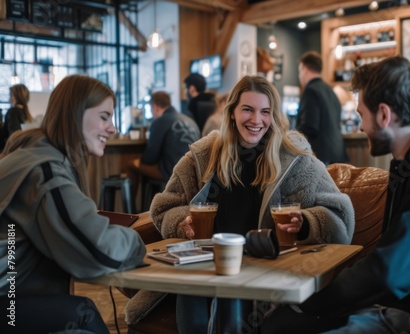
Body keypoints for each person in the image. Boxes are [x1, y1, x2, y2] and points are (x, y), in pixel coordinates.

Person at [262, 56, 410, 334]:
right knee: (278, 324)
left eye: (362, 114)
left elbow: (390, 271)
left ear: (384, 115)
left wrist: (310, 302)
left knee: (283, 324)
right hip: (406, 302)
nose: (361, 126)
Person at [132, 75, 355, 333]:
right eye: (247, 109)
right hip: (204, 270)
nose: (256, 120)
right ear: (231, 112)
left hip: (264, 273)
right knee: (194, 321)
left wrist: (306, 224)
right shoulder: (202, 157)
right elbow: (163, 208)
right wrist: (183, 223)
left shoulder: (296, 159)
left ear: (274, 116)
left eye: (265, 112)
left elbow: (341, 218)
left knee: (234, 321)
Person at [0, 75, 147, 333]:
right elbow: (99, 252)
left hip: (11, 295)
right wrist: (138, 242)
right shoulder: (45, 173)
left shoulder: (33, 152)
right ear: (75, 114)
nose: (112, 128)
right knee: (83, 314)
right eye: (104, 116)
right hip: (8, 305)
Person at [128, 91, 200, 195]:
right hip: (194, 173)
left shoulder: (160, 121)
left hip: (172, 172)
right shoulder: (191, 121)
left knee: (131, 164)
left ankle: (131, 209)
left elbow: (149, 158)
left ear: (155, 107)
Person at [296, 51, 349, 165]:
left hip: (321, 157)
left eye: (299, 71)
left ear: (304, 69)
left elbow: (309, 127)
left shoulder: (310, 91)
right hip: (337, 154)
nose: (299, 76)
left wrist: (291, 138)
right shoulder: (331, 91)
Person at [0, 84, 33, 151]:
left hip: (10, 152)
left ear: (15, 97)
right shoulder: (25, 113)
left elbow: (14, 135)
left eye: (11, 95)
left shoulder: (13, 112)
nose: (10, 98)